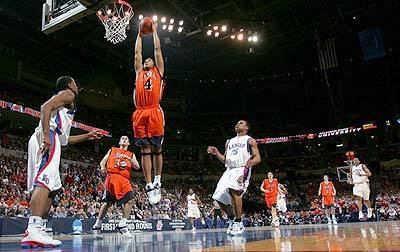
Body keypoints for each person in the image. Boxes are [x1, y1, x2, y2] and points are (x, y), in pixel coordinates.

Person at [22, 76, 102, 248]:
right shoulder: (68, 94)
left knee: (53, 188)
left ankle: (40, 230)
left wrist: (87, 136)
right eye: (75, 82)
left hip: (53, 137)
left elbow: (64, 139)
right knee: (44, 182)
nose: (77, 85)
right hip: (47, 136)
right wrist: (45, 135)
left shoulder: (65, 106)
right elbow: (45, 107)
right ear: (70, 84)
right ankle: (33, 229)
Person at [207, 120, 261, 235]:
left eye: (241, 123)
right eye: (237, 123)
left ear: (247, 127)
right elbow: (225, 160)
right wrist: (216, 153)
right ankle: (231, 219)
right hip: (229, 170)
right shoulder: (229, 141)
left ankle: (238, 222)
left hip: (242, 168)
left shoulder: (250, 140)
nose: (237, 124)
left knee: (234, 191)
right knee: (218, 196)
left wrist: (249, 164)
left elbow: (257, 158)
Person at [133, 20, 165, 205]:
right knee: (145, 150)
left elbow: (158, 51)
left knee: (157, 148)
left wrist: (154, 33)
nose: (146, 60)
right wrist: (139, 35)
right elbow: (137, 53)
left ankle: (158, 179)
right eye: (145, 60)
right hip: (140, 112)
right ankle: (149, 184)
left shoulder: (158, 72)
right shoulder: (139, 72)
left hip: (154, 111)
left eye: (149, 59)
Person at [92, 136, 140, 238]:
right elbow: (102, 162)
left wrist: (130, 159)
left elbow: (137, 166)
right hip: (112, 177)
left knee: (130, 200)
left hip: (124, 180)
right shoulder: (112, 150)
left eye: (126, 139)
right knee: (107, 203)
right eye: (122, 138)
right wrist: (102, 168)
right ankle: (97, 225)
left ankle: (122, 224)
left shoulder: (131, 154)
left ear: (128, 143)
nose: (124, 139)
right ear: (119, 141)